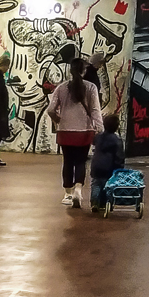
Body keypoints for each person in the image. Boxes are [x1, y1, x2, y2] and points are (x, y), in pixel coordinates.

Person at [49, 57, 103, 208]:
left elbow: (50, 109)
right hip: (84, 131)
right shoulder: (91, 87)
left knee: (67, 161)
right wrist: (100, 129)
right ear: (84, 71)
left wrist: (58, 119)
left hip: (65, 131)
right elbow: (95, 110)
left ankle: (67, 194)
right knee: (81, 161)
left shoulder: (61, 88)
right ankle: (78, 189)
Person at [87, 113, 125, 213]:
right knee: (107, 185)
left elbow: (94, 143)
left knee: (96, 184)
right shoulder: (117, 140)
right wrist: (120, 167)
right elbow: (119, 155)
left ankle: (94, 202)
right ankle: (105, 203)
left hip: (96, 165)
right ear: (116, 127)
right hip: (109, 167)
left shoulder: (98, 137)